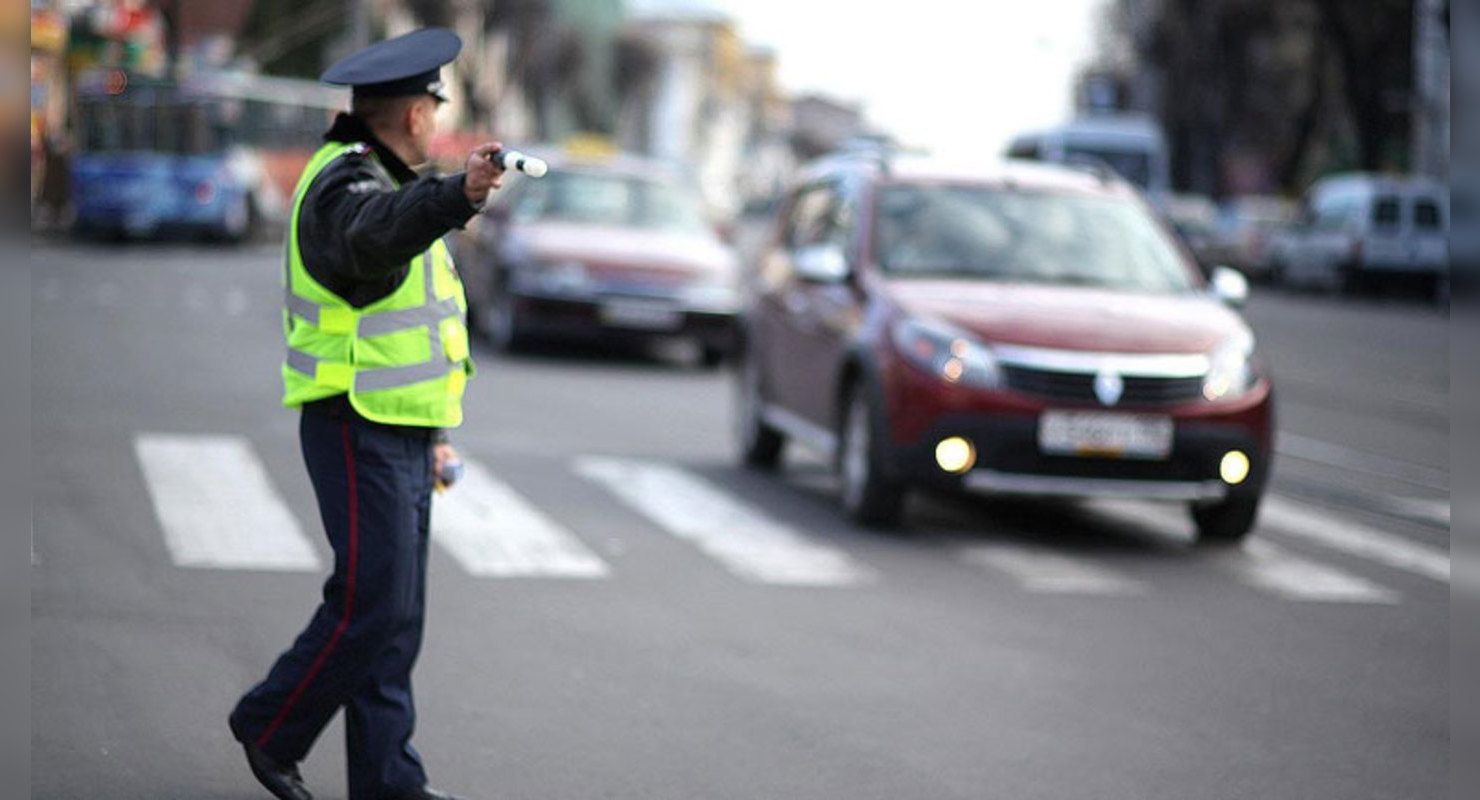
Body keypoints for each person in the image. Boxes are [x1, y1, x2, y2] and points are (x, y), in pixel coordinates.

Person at [227, 28, 503, 800]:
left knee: (394, 620)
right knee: (369, 605)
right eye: (431, 106)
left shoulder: (383, 179)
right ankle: (270, 724)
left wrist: (438, 436)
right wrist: (457, 195)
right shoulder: (343, 186)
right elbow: (371, 241)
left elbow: (422, 323)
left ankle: (388, 785)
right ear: (416, 114)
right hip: (355, 424)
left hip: (403, 428)